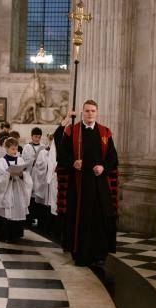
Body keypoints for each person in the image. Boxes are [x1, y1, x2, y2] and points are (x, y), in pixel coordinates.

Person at [58, 100, 119, 267]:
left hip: (99, 184)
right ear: (82, 112)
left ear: (97, 113)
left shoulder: (105, 133)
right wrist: (73, 163)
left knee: (100, 219)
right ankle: (81, 254)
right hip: (79, 185)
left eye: (93, 111)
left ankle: (99, 255)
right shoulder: (72, 131)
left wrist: (103, 166)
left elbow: (113, 158)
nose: (90, 114)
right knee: (80, 218)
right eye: (87, 111)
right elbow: (61, 155)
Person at [0, 137, 32, 242]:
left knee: (18, 210)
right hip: (7, 190)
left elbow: (26, 174)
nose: (15, 151)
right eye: (12, 149)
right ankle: (6, 235)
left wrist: (21, 174)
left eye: (16, 149)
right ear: (6, 148)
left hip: (18, 189)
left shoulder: (20, 159)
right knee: (8, 212)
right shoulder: (1, 161)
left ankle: (16, 234)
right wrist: (8, 175)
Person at [32, 134, 58, 233]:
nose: (52, 143)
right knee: (43, 205)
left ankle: (51, 227)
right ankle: (42, 225)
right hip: (44, 182)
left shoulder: (57, 152)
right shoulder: (43, 152)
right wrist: (48, 165)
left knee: (52, 204)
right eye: (51, 141)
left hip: (53, 181)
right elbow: (38, 166)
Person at [22, 127, 44, 226]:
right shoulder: (27, 147)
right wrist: (33, 160)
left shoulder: (43, 147)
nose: (37, 139)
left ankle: (37, 217)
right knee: (29, 196)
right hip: (30, 174)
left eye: (39, 137)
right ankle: (28, 218)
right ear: (31, 136)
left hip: (39, 176)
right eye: (35, 137)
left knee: (37, 197)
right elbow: (24, 161)